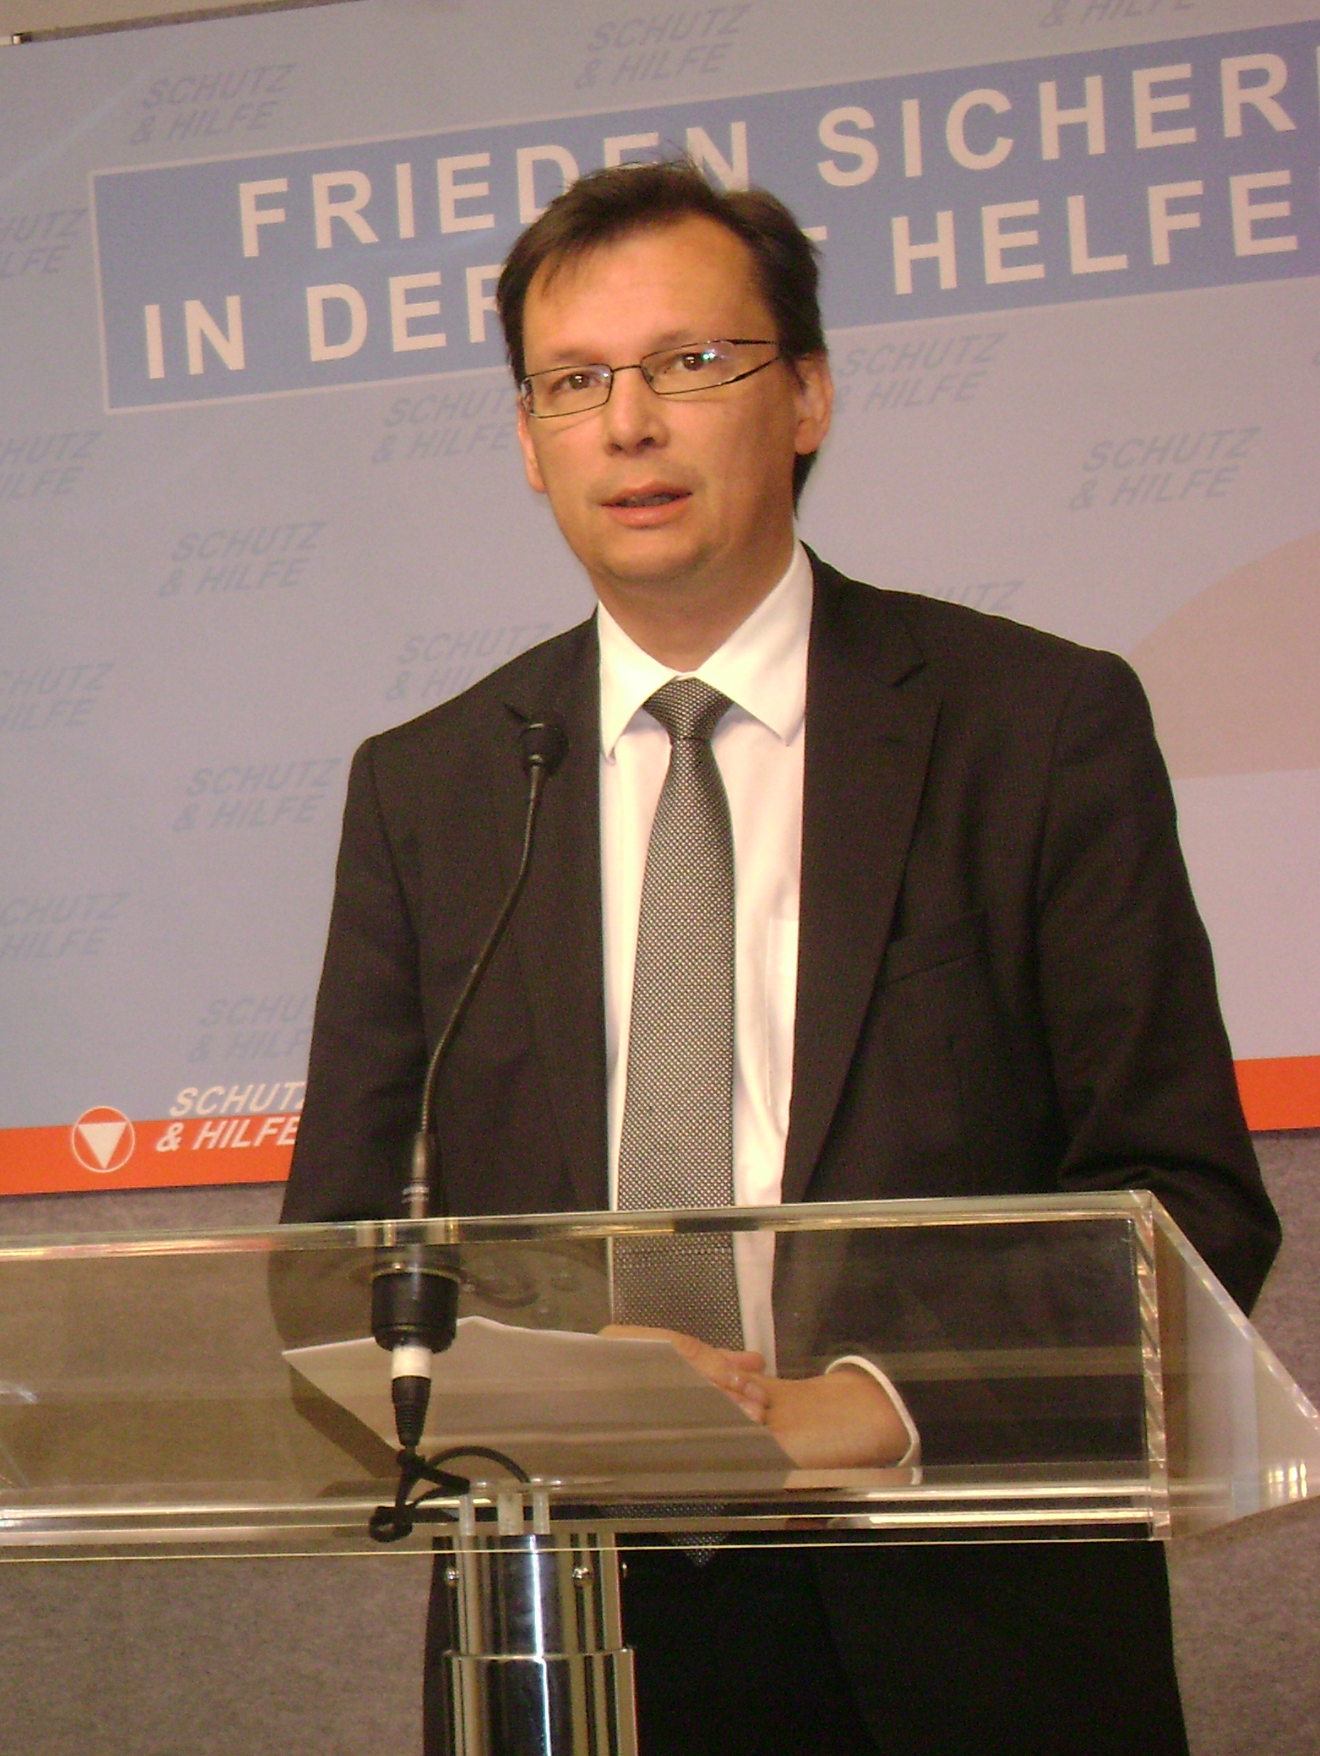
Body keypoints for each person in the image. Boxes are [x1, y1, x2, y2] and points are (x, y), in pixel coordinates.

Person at [281, 160, 1276, 1755]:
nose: (629, 424)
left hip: (968, 1615)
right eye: (573, 382)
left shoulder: (1032, 726)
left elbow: (1185, 1205)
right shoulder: (435, 787)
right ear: (528, 442)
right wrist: (560, 1387)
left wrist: (863, 1408)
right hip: (571, 1617)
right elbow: (335, 1253)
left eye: (690, 363)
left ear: (806, 394)